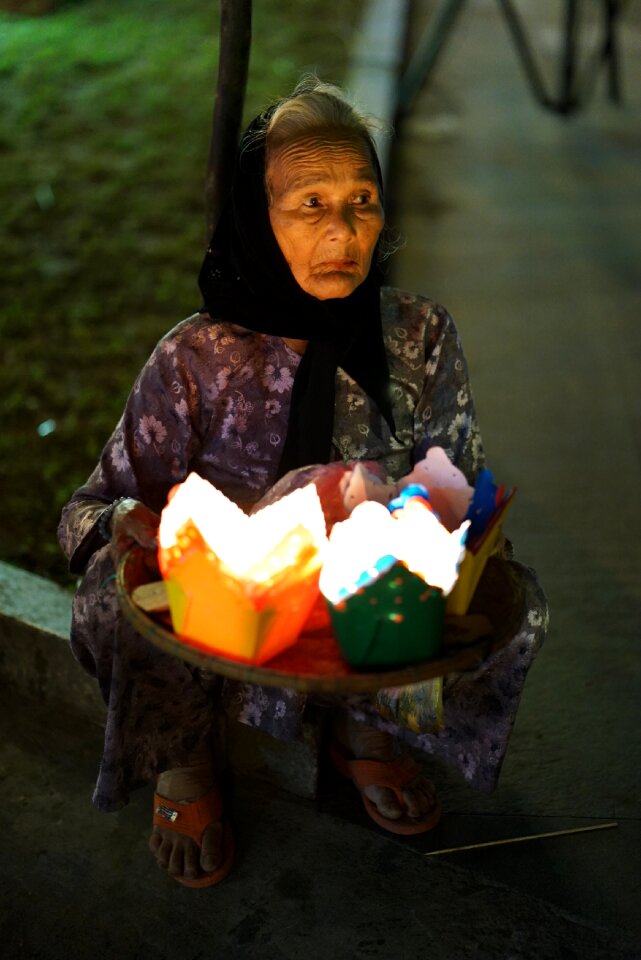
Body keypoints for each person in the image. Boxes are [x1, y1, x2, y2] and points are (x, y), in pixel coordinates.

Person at [58, 78, 548, 888]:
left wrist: (422, 531)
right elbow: (87, 509)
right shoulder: (196, 355)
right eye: (309, 204)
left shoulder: (418, 334)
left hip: (360, 597)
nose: (344, 231)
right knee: (114, 594)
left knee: (498, 589)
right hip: (235, 603)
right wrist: (127, 525)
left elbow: (456, 479)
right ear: (259, 217)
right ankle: (186, 760)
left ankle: (366, 732)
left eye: (362, 199)